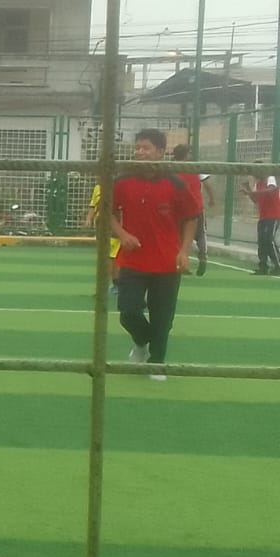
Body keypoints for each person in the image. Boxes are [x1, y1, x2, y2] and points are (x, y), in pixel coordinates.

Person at [111, 129, 201, 381]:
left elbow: (191, 217)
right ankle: (142, 342)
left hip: (167, 262)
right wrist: (122, 234)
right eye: (137, 147)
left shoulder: (175, 183)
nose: (139, 152)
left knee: (162, 316)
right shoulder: (123, 181)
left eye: (146, 148)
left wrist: (184, 251)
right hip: (133, 260)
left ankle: (157, 362)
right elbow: (107, 212)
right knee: (128, 312)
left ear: (160, 152)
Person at [170, 144, 210, 276]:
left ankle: (180, 263)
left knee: (180, 235)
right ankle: (202, 256)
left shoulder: (171, 169)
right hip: (196, 206)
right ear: (186, 154)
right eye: (190, 152)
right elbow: (207, 184)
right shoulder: (194, 167)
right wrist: (212, 198)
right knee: (201, 234)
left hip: (177, 208)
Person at [240, 159, 280, 275]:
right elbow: (256, 200)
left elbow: (272, 189)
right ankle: (263, 266)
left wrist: (252, 192)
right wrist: (248, 189)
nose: (253, 173)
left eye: (255, 170)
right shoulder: (258, 184)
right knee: (262, 241)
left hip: (274, 215)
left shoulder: (270, 178)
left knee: (269, 239)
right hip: (263, 216)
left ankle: (278, 264)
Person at [85, 176, 122, 295]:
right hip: (101, 225)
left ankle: (111, 285)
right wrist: (89, 219)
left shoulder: (118, 188)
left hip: (114, 227)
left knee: (111, 257)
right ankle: (114, 285)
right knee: (107, 256)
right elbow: (93, 205)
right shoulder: (97, 188)